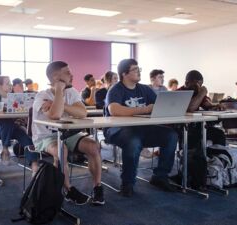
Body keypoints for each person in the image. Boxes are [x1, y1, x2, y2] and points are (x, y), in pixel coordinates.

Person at [32, 61, 104, 205]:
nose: (72, 75)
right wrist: (59, 91)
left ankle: (98, 187)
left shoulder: (72, 92)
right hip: (45, 137)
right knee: (61, 151)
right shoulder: (41, 96)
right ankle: (68, 190)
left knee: (93, 146)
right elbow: (55, 115)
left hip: (68, 134)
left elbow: (82, 113)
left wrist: (61, 104)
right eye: (67, 73)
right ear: (55, 77)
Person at [104, 59, 178, 196]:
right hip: (117, 129)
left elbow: (158, 105)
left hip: (141, 129)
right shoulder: (116, 89)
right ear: (124, 74)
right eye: (135, 69)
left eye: (139, 69)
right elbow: (114, 110)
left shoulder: (144, 89)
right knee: (134, 141)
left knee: (171, 135)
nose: (139, 72)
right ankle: (128, 183)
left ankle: (160, 176)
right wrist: (144, 109)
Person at [0, 76, 39, 172]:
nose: (10, 85)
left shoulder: (15, 97)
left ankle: (34, 165)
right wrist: (7, 108)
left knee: (27, 140)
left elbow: (23, 109)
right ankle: (5, 148)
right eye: (7, 83)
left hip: (14, 127)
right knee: (7, 121)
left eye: (10, 83)